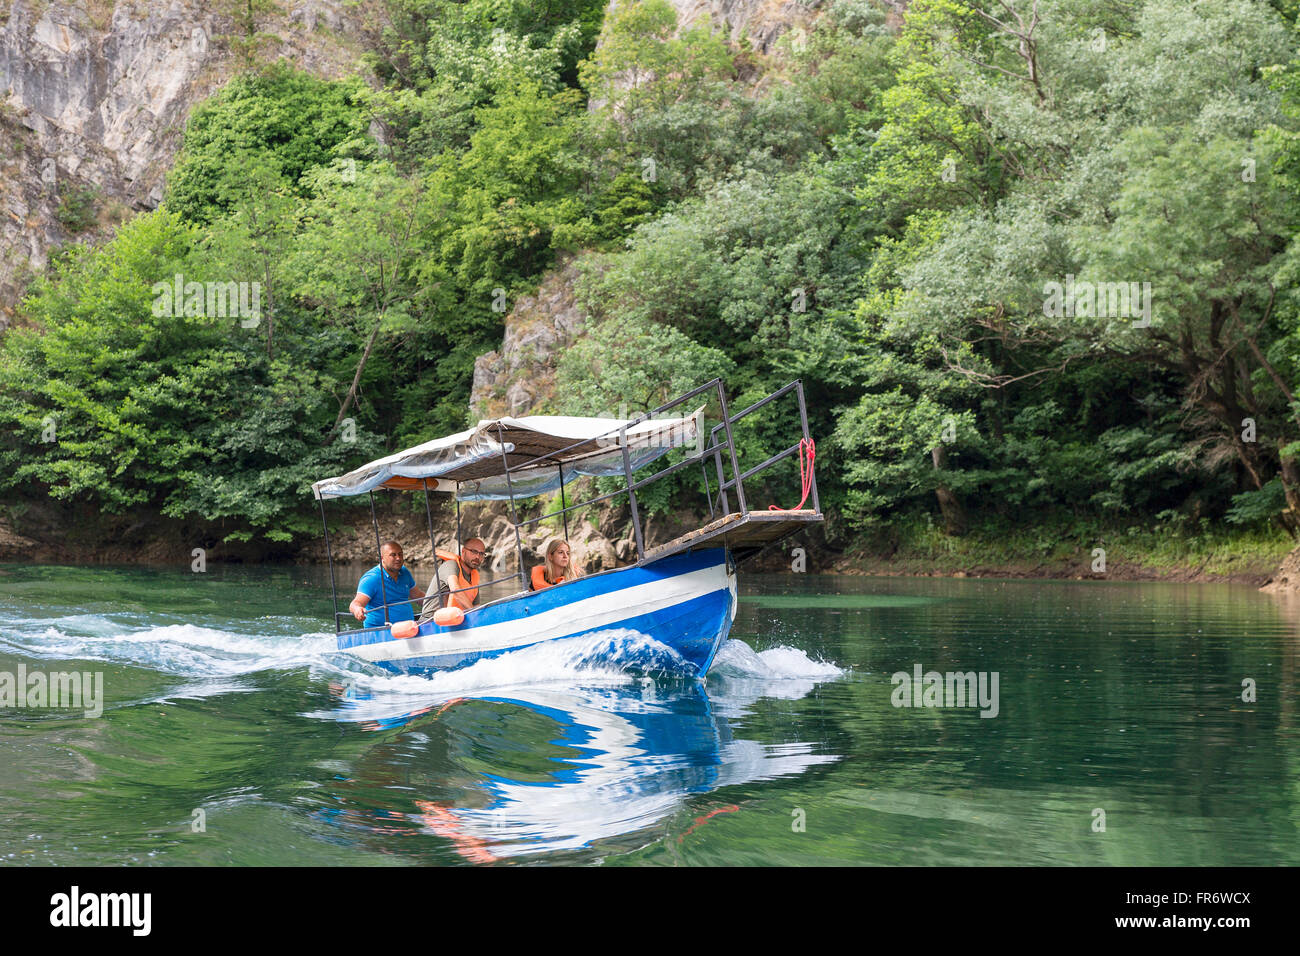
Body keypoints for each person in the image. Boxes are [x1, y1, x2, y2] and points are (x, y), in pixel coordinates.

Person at [350, 541, 424, 628]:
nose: (398, 558)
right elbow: (355, 603)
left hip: (408, 629)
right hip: (379, 632)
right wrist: (357, 610)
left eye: (400, 554)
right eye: (393, 555)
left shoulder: (404, 572)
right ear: (382, 558)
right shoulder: (372, 578)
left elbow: (418, 596)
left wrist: (439, 603)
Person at [423, 538, 486, 617]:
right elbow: (455, 589)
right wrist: (476, 615)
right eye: (474, 552)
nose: (477, 556)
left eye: (481, 554)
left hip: (457, 620)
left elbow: (476, 606)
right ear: (463, 551)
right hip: (431, 622)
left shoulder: (474, 577)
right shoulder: (451, 565)